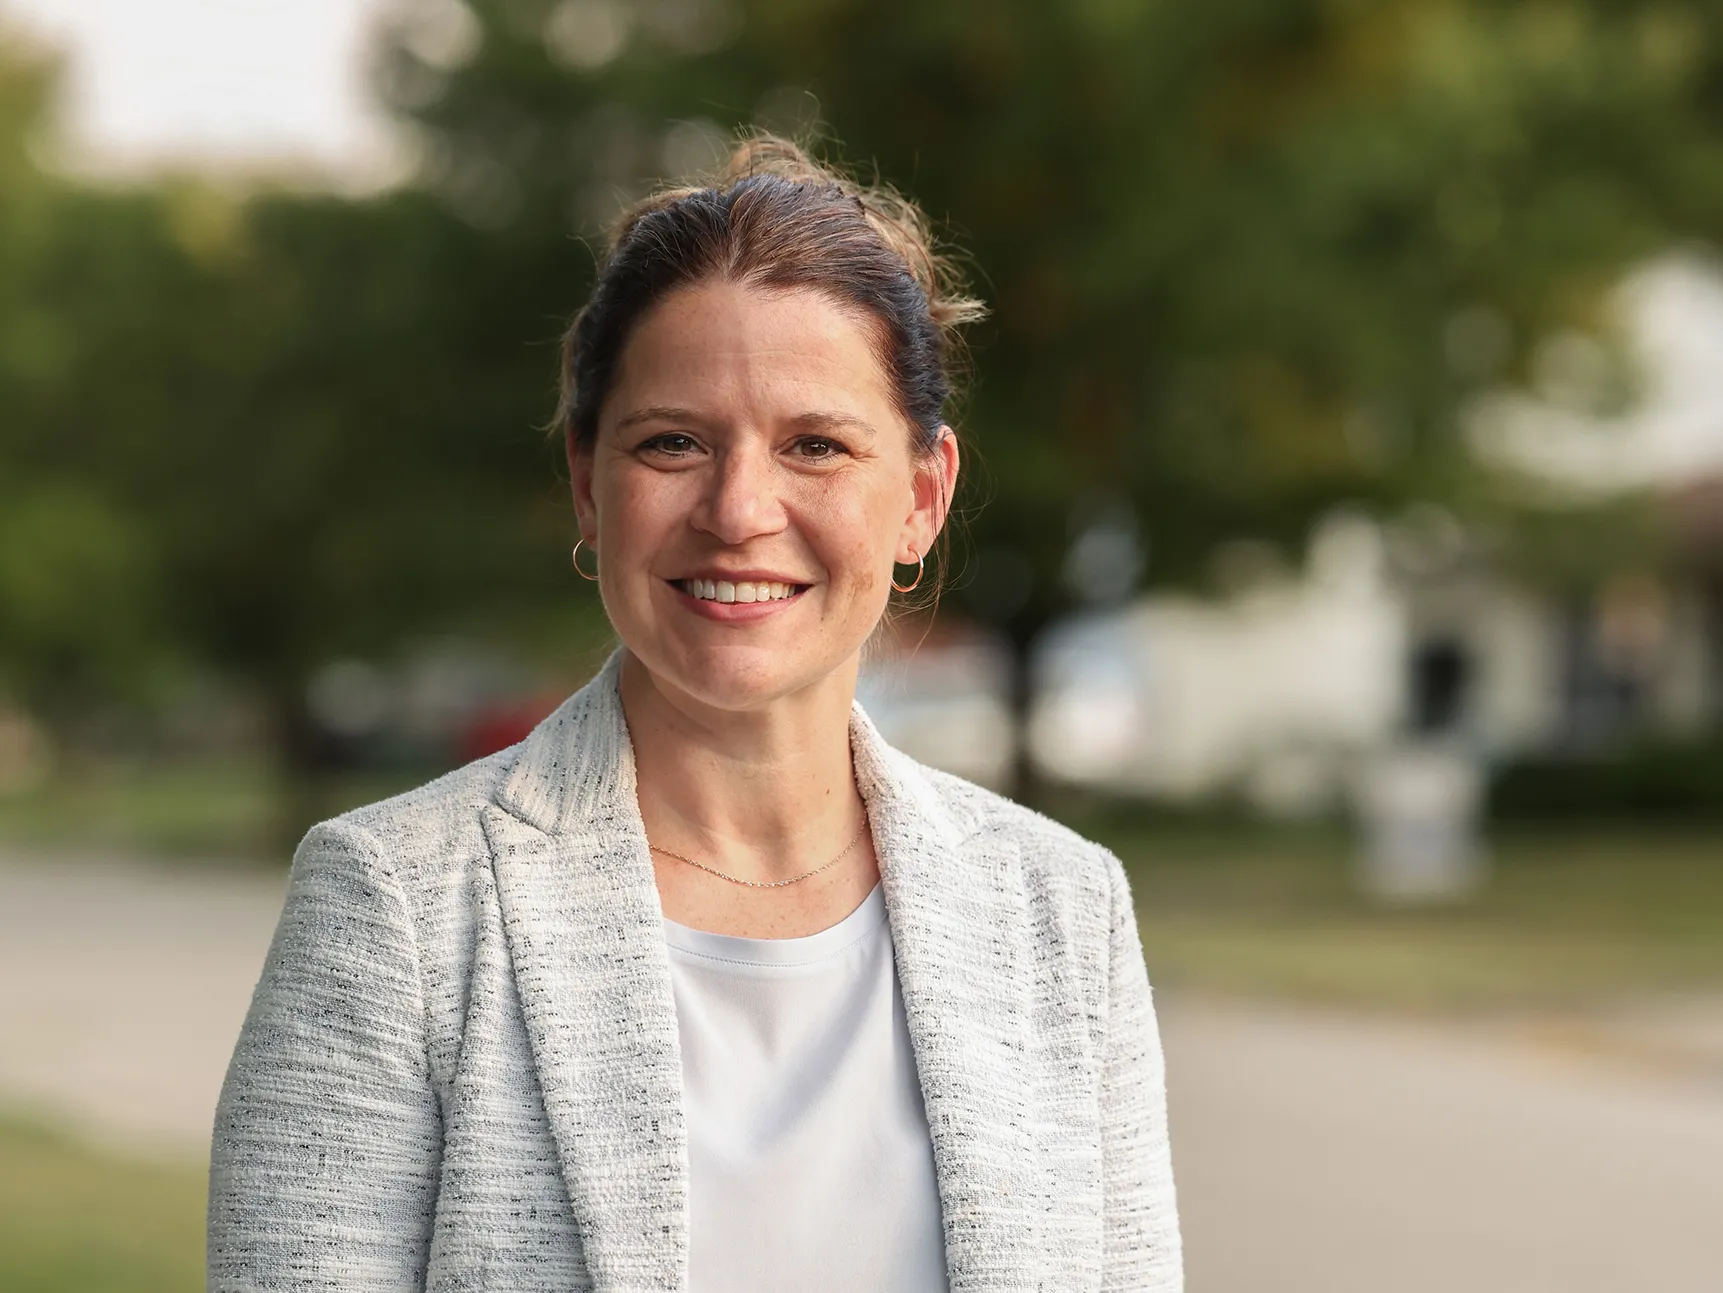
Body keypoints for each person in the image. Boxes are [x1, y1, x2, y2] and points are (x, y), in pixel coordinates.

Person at [208, 135, 1182, 1292]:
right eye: (674, 442)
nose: (738, 510)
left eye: (815, 446)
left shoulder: (1061, 913)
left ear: (921, 498)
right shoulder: (396, 908)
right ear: (586, 481)